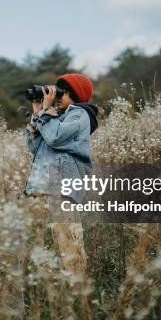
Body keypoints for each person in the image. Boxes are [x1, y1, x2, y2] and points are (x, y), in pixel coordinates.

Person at [23, 73, 98, 282]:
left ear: (74, 94)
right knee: (57, 239)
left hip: (64, 181)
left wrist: (47, 112)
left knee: (69, 239)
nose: (56, 95)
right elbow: (34, 146)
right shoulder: (57, 115)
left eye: (61, 91)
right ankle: (65, 286)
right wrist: (38, 113)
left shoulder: (79, 114)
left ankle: (80, 288)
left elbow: (55, 138)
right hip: (47, 182)